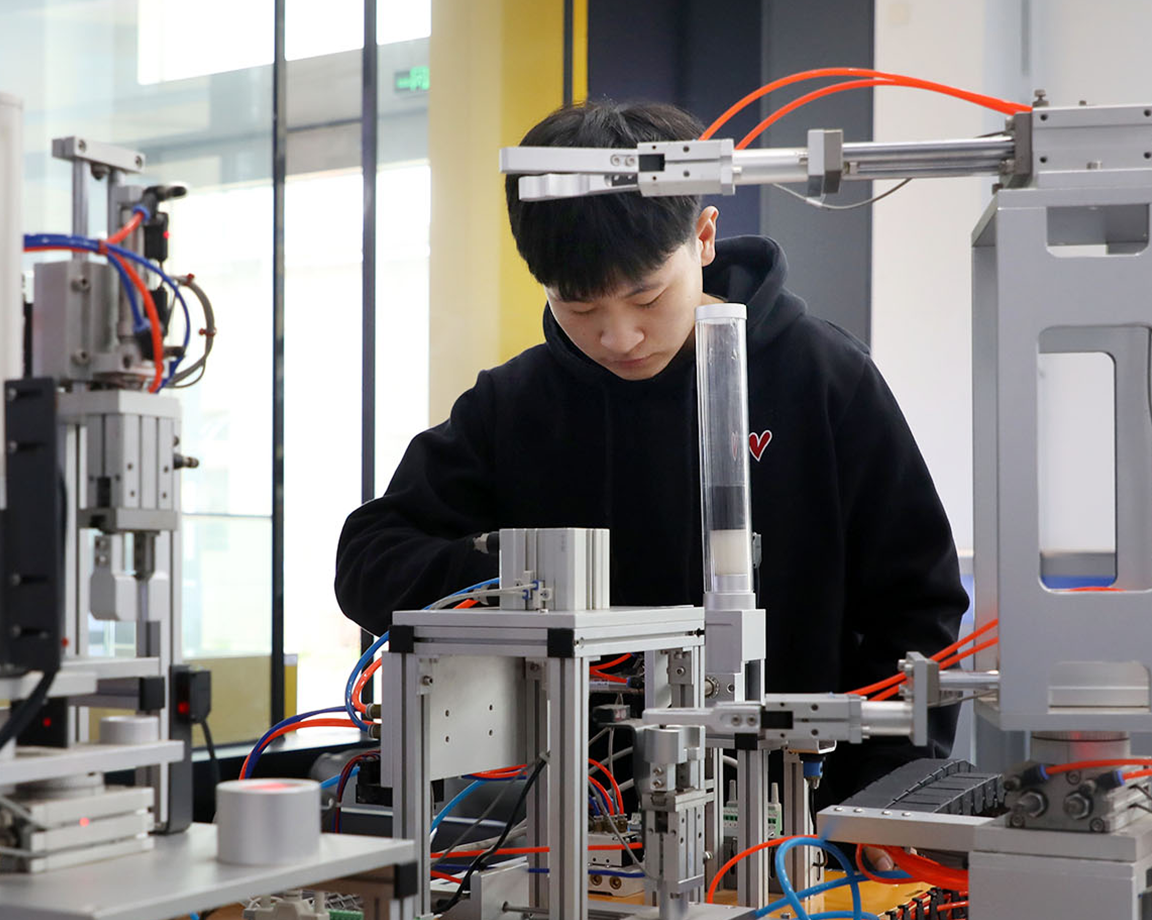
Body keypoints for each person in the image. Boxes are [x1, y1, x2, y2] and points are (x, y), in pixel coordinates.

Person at [334, 98, 967, 810]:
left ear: (704, 236)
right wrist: (528, 586)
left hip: (800, 811)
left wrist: (884, 793)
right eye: (580, 307)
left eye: (646, 297)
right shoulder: (515, 406)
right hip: (575, 816)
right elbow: (370, 558)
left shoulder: (823, 378)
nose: (619, 337)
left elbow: (918, 603)